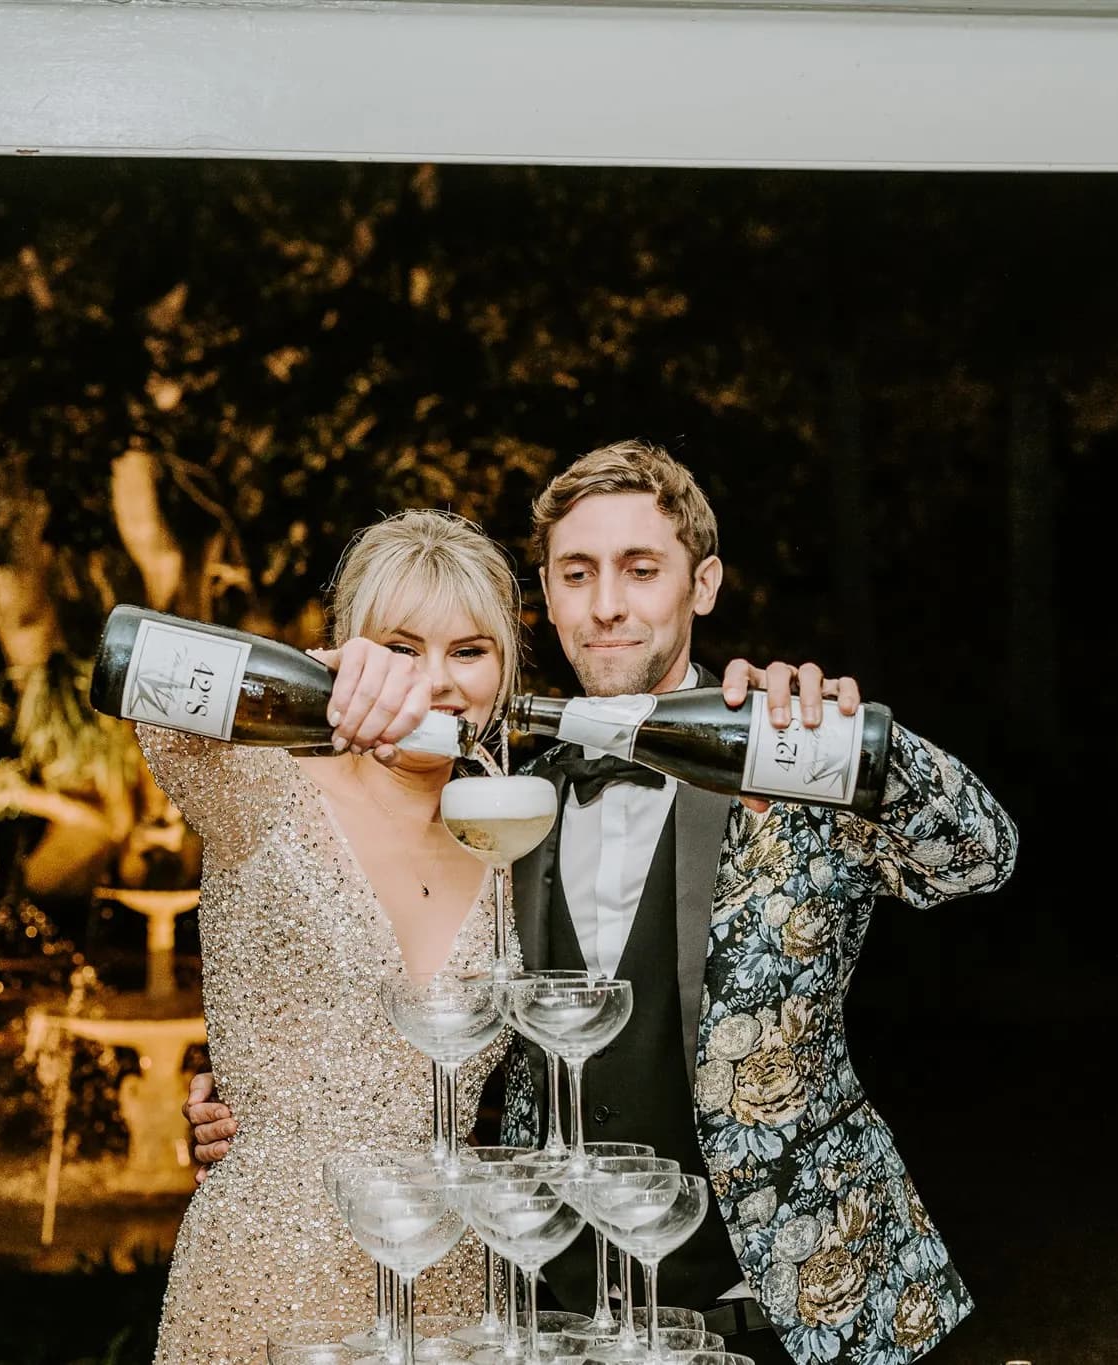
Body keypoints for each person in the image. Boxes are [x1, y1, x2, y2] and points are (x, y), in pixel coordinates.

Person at [187, 441, 1020, 1365]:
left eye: (640, 569)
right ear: (547, 596)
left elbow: (983, 858)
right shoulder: (498, 801)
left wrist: (872, 748)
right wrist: (252, 1096)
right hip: (561, 1319)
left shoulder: (797, 758)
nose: (608, 603)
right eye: (577, 574)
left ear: (702, 585)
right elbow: (408, 970)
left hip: (795, 1309)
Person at [140, 508, 524, 1365]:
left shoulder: (510, 840)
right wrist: (307, 681)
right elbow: (153, 685)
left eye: (470, 650)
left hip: (454, 1285)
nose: (436, 681)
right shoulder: (262, 788)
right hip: (268, 1273)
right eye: (399, 647)